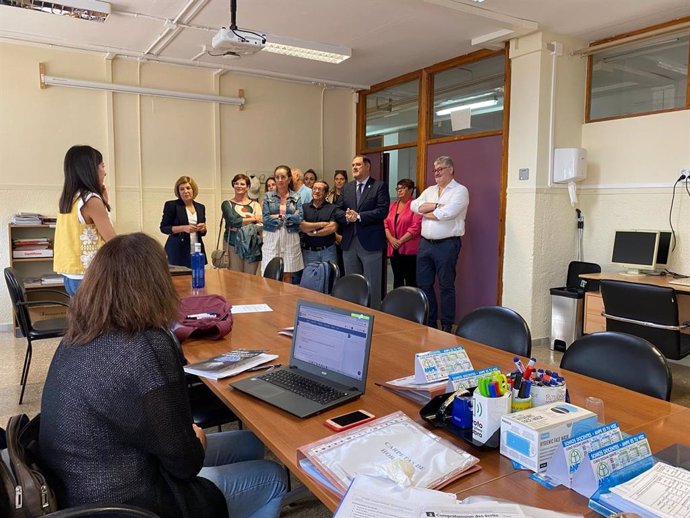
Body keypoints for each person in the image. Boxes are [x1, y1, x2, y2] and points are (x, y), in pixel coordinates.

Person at [39, 233, 287, 518]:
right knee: (271, 475)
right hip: (126, 505)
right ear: (157, 283)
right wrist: (197, 442)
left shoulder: (78, 335)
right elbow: (185, 464)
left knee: (248, 442)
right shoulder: (147, 344)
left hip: (78, 487)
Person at [411, 156, 469, 332]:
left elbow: (447, 214)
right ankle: (429, 321)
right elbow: (414, 205)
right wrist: (437, 205)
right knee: (424, 284)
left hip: (447, 245)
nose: (436, 173)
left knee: (446, 286)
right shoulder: (430, 190)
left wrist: (428, 211)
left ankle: (445, 325)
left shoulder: (460, 191)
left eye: (440, 169)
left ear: (451, 169)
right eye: (435, 170)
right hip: (425, 245)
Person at [54, 145, 116, 296]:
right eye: (102, 166)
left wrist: (104, 201)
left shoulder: (71, 198)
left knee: (82, 318)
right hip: (89, 276)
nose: (105, 172)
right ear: (90, 169)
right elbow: (113, 241)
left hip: (71, 275)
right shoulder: (91, 200)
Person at [336, 156, 389, 309]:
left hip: (370, 242)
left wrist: (359, 216)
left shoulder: (379, 186)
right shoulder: (347, 188)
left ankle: (374, 316)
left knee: (372, 283)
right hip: (349, 241)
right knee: (352, 283)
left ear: (367, 166)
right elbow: (337, 210)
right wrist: (346, 216)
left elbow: (382, 211)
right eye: (352, 165)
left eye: (358, 164)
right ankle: (354, 315)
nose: (354, 167)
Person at [261, 165, 304, 282]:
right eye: (277, 177)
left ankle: (286, 299)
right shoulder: (268, 196)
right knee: (270, 274)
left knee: (287, 274)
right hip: (272, 235)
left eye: (283, 177)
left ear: (289, 179)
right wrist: (289, 217)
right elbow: (265, 218)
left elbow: (299, 217)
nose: (280, 180)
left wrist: (278, 216)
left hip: (290, 236)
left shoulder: (296, 196)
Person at [160, 176, 207, 268]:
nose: (185, 191)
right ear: (178, 192)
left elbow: (202, 233)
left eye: (188, 188)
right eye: (182, 189)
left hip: (196, 249)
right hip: (178, 250)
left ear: (193, 189)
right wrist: (183, 228)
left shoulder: (201, 207)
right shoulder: (171, 205)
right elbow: (164, 228)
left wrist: (203, 229)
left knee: (197, 278)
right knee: (179, 280)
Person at [221, 174, 263, 274]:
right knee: (235, 277)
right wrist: (252, 218)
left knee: (251, 277)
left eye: (242, 184)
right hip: (232, 243)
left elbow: (260, 221)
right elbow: (232, 221)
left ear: (248, 187)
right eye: (236, 183)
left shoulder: (255, 204)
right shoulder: (227, 204)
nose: (239, 186)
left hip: (251, 244)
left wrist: (241, 221)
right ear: (233, 185)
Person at [384, 179, 422, 288]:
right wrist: (391, 239)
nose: (399, 191)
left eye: (403, 188)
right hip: (394, 248)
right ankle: (397, 304)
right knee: (397, 278)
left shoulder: (415, 205)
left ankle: (411, 304)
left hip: (409, 249)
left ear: (411, 190)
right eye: (398, 188)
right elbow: (385, 223)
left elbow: (416, 227)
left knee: (411, 280)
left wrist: (400, 241)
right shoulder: (392, 205)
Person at [299, 180, 339, 266]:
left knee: (330, 277)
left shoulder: (333, 208)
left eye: (320, 189)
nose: (316, 191)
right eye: (314, 189)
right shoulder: (304, 207)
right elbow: (302, 226)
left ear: (326, 193)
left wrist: (314, 233)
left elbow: (332, 228)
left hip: (328, 251)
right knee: (310, 278)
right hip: (309, 252)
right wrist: (322, 224)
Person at [327, 170, 348, 277]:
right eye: (337, 179)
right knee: (335, 265)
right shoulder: (329, 196)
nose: (339, 181)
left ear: (346, 181)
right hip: (333, 232)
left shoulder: (350, 194)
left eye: (342, 179)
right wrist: (335, 235)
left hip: (346, 231)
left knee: (345, 264)